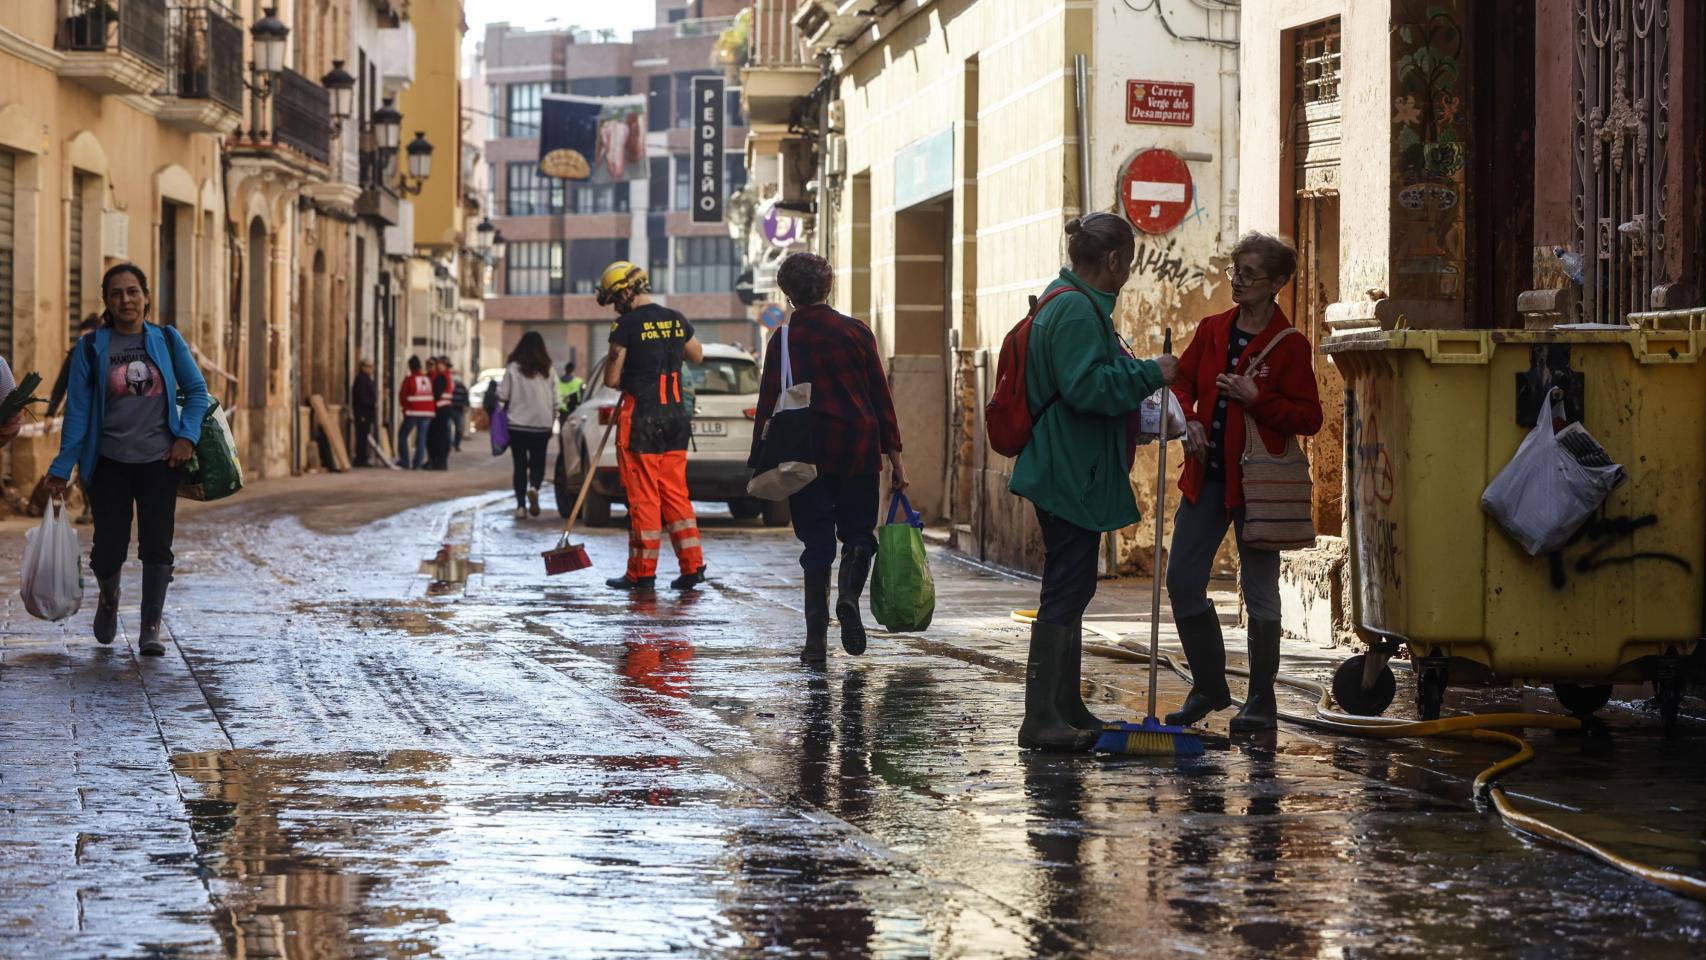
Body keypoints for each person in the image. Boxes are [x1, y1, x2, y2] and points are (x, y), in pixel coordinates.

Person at [1009, 214, 1180, 752]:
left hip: (1067, 465)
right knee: (1065, 587)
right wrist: (1152, 372)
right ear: (1113, 260)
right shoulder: (1077, 311)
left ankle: (1065, 705)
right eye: (1128, 260)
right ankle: (1041, 717)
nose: (1129, 269)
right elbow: (1086, 388)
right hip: (1067, 469)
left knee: (1074, 585)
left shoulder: (1067, 301)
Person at [1165, 232, 1322, 733]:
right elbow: (1181, 382)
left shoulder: (1290, 344)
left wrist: (1258, 397)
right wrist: (1188, 419)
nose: (1238, 281)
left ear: (1277, 282)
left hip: (1258, 488)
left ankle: (1261, 700)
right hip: (1204, 480)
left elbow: (1311, 417)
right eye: (1235, 271)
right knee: (1182, 581)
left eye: (1250, 274)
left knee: (1259, 592)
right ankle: (1209, 686)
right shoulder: (1212, 329)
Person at [42, 263, 210, 656]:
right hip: (108, 463)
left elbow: (197, 392)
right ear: (106, 301)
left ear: (146, 296)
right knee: (107, 549)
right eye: (116, 293)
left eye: (133, 291)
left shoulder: (167, 340)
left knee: (157, 545)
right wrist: (62, 467)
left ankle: (150, 625)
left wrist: (186, 437)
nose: (126, 300)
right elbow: (79, 412)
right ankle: (108, 597)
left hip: (159, 461)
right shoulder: (91, 347)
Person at [750, 252, 906, 664]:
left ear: (786, 292)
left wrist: (759, 460)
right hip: (858, 446)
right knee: (858, 534)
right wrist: (896, 457)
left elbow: (769, 403)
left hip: (806, 454)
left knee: (816, 542)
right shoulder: (857, 332)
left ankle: (815, 642)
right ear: (829, 285)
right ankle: (849, 598)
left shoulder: (782, 340)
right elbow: (880, 397)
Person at [596, 260, 706, 592]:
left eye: (616, 299)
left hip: (641, 418)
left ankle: (641, 573)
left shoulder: (625, 325)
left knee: (643, 498)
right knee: (675, 494)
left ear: (627, 292)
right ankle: (693, 566)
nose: (615, 307)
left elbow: (613, 377)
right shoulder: (676, 319)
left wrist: (627, 375)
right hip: (675, 418)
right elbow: (697, 356)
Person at [497, 332, 557, 519]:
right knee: (538, 463)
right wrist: (552, 420)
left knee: (520, 465)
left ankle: (521, 506)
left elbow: (502, 395)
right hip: (542, 423)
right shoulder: (549, 369)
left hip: (517, 425)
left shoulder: (513, 368)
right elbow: (556, 400)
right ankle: (534, 488)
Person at [397, 355, 434, 468]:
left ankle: (405, 461)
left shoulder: (410, 379)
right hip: (427, 413)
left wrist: (405, 409)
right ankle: (417, 463)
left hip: (413, 412)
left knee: (403, 435)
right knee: (421, 438)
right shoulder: (427, 379)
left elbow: (402, 396)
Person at [427, 356, 454, 470]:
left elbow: (436, 393)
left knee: (437, 436)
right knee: (442, 436)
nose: (438, 366)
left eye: (440, 364)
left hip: (439, 410)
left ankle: (438, 461)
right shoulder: (447, 376)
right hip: (445, 409)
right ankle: (440, 461)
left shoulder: (441, 377)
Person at [351, 358, 377, 467]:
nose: (371, 369)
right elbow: (361, 397)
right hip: (363, 412)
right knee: (361, 436)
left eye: (372, 366)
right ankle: (360, 459)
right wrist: (371, 402)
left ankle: (363, 457)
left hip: (367, 412)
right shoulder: (361, 379)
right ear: (363, 367)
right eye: (369, 366)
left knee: (364, 435)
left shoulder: (367, 379)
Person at [450, 362, 470, 452]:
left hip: (458, 410)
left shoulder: (462, 387)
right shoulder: (449, 385)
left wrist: (466, 406)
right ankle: (449, 443)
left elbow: (466, 397)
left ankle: (456, 444)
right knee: (448, 428)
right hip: (450, 409)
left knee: (458, 428)